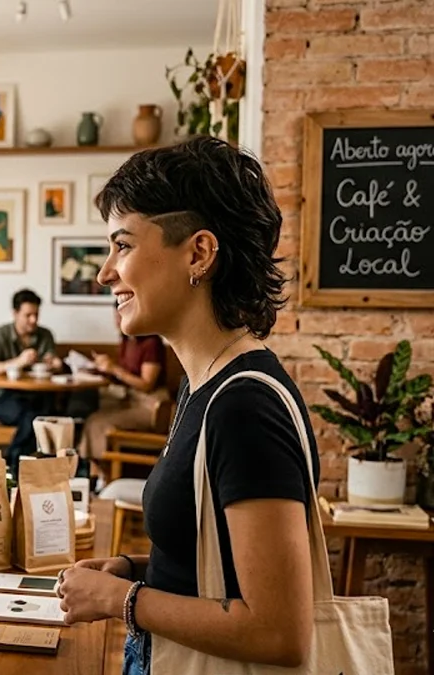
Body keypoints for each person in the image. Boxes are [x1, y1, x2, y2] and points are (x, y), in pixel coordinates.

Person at [57, 136, 318, 673]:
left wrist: (116, 601)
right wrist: (134, 569)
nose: (105, 272)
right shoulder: (203, 385)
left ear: (198, 253)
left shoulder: (243, 407)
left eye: (122, 246)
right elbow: (218, 561)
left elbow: (279, 633)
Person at [76, 302, 170, 474]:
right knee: (90, 414)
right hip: (130, 400)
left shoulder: (151, 342)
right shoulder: (126, 340)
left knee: (97, 423)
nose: (118, 321)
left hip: (151, 407)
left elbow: (146, 384)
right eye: (116, 316)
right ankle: (94, 471)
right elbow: (123, 376)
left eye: (121, 316)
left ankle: (100, 473)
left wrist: (113, 368)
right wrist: (98, 369)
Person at [0, 289, 62, 476]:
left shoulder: (45, 335)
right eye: (28, 315)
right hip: (1, 396)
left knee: (46, 414)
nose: (33, 320)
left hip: (36, 394)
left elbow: (52, 364)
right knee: (34, 418)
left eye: (36, 314)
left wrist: (55, 364)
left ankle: (15, 466)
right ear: (15, 313)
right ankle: (17, 464)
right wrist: (18, 362)